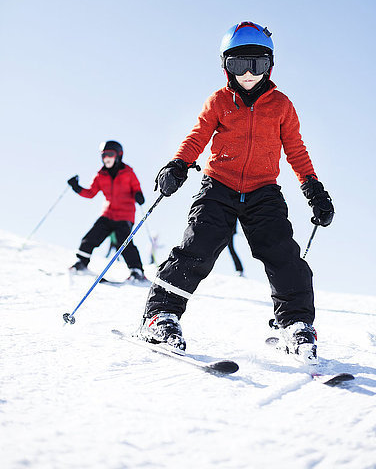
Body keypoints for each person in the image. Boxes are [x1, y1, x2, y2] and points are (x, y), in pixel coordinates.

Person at [138, 21, 334, 362]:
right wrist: (177, 164)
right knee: (196, 247)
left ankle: (297, 325)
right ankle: (160, 315)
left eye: (256, 64)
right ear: (225, 65)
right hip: (218, 186)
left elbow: (297, 150)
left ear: (269, 66)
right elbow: (197, 137)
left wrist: (314, 189)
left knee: (283, 256)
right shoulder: (219, 101)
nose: (247, 74)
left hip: (264, 192)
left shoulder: (281, 106)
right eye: (238, 64)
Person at [67, 140, 146, 282]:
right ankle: (82, 263)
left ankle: (136, 270)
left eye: (110, 154)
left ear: (118, 155)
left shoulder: (128, 172)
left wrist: (138, 195)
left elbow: (136, 188)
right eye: (103, 155)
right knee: (91, 236)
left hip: (125, 215)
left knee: (125, 242)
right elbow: (91, 193)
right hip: (108, 213)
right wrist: (77, 187)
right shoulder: (100, 175)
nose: (106, 158)